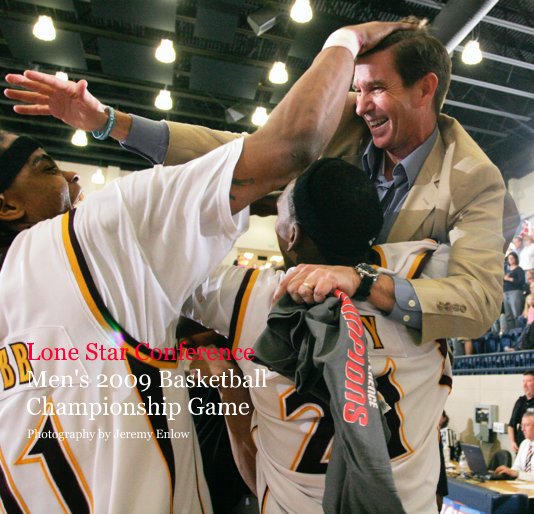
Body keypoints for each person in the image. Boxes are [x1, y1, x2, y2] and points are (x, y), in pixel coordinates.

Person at [0, 21, 415, 513]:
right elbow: (292, 144)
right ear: (7, 207)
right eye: (47, 167)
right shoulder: (417, 278)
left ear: (291, 233)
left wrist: (221, 381)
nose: (71, 172)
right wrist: (345, 38)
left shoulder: (242, 304)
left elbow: (245, 447)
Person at [4, 19, 510, 345]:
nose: (359, 105)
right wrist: (110, 122)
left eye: (375, 89)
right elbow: (231, 152)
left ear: (426, 89)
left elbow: (480, 301)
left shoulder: (476, 180)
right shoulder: (349, 126)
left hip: (396, 366)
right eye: (356, 89)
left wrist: (367, 283)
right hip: (307, 342)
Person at [182, 160, 452, 513]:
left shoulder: (249, 299)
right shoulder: (423, 276)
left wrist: (239, 205)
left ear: (291, 235)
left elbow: (158, 268)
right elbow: (482, 277)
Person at [496, 412, 534, 480]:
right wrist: (507, 472)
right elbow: (516, 468)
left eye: (527, 425)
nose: (522, 429)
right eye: (522, 425)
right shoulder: (524, 444)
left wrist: (516, 473)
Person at [508, 371, 534, 453]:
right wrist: (513, 442)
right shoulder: (520, 401)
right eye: (523, 381)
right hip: (521, 447)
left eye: (529, 381)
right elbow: (511, 425)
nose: (524, 385)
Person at [503, 252, 526, 331]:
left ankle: (518, 332)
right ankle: (511, 333)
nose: (510, 260)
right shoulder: (506, 270)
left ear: (516, 259)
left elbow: (521, 281)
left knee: (516, 313)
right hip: (505, 292)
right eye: (509, 258)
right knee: (508, 315)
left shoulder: (519, 269)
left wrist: (509, 279)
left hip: (515, 291)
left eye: (512, 258)